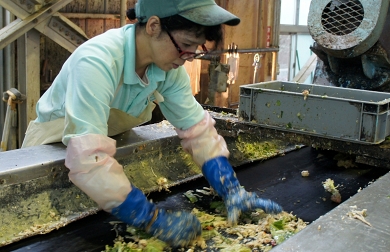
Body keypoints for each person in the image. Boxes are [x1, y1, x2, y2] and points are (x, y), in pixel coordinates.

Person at [21, 0, 282, 247]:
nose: (187, 57)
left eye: (195, 49)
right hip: (48, 158)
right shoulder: (98, 61)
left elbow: (196, 129)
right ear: (154, 26)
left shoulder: (166, 69)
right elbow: (89, 159)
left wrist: (231, 188)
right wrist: (152, 219)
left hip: (97, 165)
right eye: (185, 45)